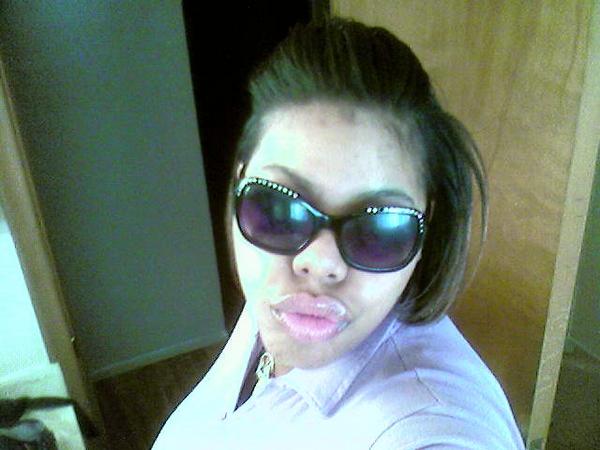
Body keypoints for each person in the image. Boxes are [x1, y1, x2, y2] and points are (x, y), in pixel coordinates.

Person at [153, 17, 525, 449]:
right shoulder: (276, 304)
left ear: (427, 225)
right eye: (277, 209)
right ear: (240, 184)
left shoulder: (430, 426)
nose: (319, 263)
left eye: (379, 229)